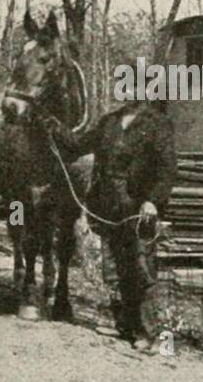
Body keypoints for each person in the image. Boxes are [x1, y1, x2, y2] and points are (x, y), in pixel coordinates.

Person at [42, 98, 176, 352]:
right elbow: (77, 145)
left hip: (138, 206)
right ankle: (125, 324)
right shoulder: (110, 122)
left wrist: (153, 201)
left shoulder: (158, 124)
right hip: (108, 205)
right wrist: (55, 127)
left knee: (141, 267)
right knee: (115, 267)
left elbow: (167, 169)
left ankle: (151, 334)